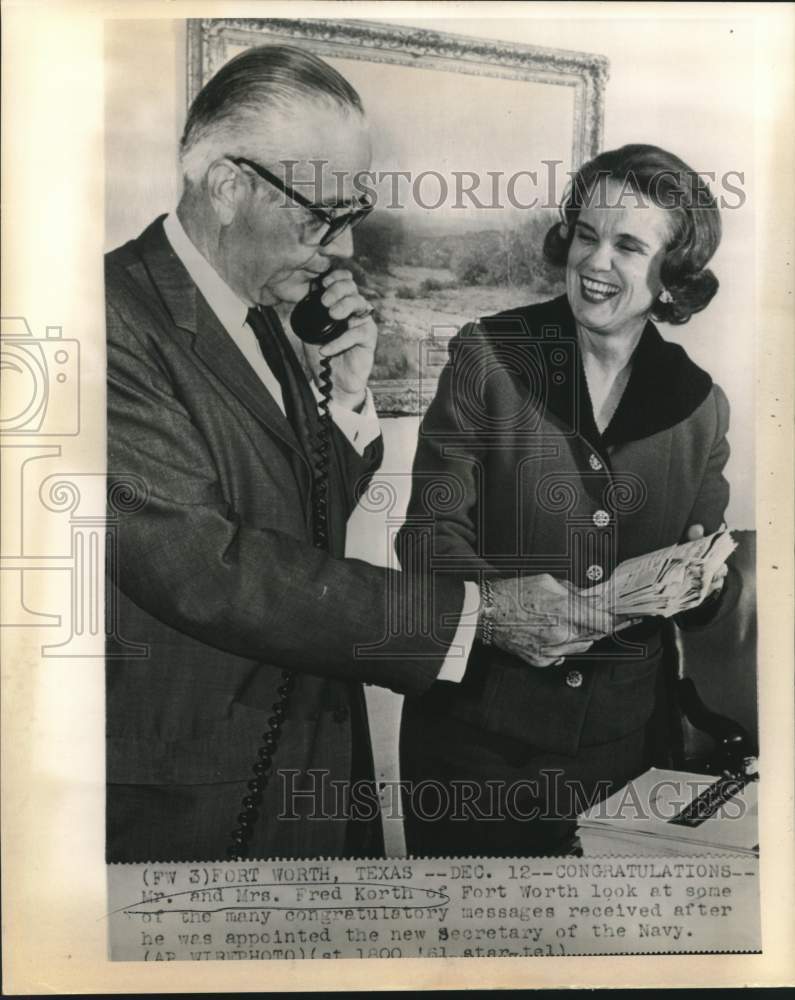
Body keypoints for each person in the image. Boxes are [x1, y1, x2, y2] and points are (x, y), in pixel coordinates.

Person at [104, 44, 605, 863]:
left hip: (310, 772)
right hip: (188, 796)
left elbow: (308, 522)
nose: (339, 248)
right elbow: (202, 565)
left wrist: (343, 397)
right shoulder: (109, 319)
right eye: (319, 215)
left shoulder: (263, 310)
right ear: (228, 188)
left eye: (351, 213)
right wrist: (474, 617)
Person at [396, 144, 741, 857]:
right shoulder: (488, 355)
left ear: (670, 276)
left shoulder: (700, 404)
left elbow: (707, 568)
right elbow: (428, 537)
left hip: (626, 751)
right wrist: (499, 610)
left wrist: (701, 583)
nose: (593, 262)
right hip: (478, 751)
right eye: (585, 234)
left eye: (625, 245)